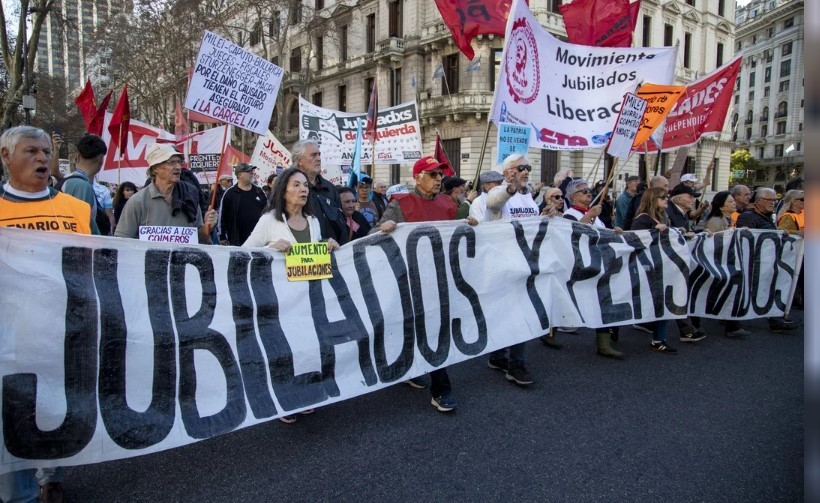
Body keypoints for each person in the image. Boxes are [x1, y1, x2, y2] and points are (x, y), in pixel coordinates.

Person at [0, 125, 95, 503]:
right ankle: (21, 493)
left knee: (54, 407)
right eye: (30, 152)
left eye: (45, 151)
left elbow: (95, 264)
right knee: (14, 417)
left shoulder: (76, 209)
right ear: (6, 157)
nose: (42, 158)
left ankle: (50, 475)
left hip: (62, 333)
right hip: (10, 337)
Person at [372, 156, 478, 412]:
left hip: (439, 279)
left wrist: (472, 225)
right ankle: (409, 368)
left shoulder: (448, 203)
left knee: (436, 330)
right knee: (411, 327)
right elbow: (373, 235)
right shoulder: (400, 204)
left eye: (440, 174)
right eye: (432, 174)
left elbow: (458, 235)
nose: (438, 179)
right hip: (407, 279)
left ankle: (441, 390)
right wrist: (382, 227)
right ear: (417, 177)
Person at [243, 167, 340, 423]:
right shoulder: (269, 221)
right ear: (283, 190)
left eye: (305, 185)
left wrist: (328, 245)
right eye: (297, 185)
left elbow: (314, 254)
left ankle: (305, 393)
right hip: (280, 300)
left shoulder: (314, 221)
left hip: (309, 298)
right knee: (285, 351)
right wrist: (270, 248)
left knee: (308, 347)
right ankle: (285, 400)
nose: (303, 189)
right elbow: (243, 253)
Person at [483, 154, 540, 385]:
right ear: (508, 173)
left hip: (526, 263)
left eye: (528, 167)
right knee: (517, 314)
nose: (526, 171)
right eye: (521, 168)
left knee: (515, 313)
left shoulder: (529, 198)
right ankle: (516, 365)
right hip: (504, 265)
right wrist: (510, 188)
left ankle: (499, 356)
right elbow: (493, 202)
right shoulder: (501, 192)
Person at [562, 178, 624, 359]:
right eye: (583, 191)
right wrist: (589, 216)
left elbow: (602, 234)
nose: (589, 193)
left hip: (600, 263)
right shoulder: (570, 214)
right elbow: (573, 234)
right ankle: (550, 331)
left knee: (604, 299)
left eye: (589, 190)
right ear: (573, 197)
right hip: (581, 265)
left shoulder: (593, 214)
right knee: (569, 300)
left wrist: (614, 231)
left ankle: (604, 343)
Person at [114, 143, 217, 243]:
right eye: (171, 162)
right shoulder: (137, 202)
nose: (178, 167)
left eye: (179, 162)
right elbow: (122, 243)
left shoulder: (190, 196)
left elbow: (198, 239)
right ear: (155, 168)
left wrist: (207, 227)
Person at [736, 187, 797, 332]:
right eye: (769, 200)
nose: (773, 203)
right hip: (754, 262)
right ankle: (732, 322)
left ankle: (775, 319)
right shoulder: (748, 216)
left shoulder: (767, 215)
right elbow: (745, 239)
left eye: (775, 200)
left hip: (767, 260)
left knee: (769, 289)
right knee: (748, 291)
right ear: (758, 201)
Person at [629, 187, 677, 353]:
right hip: (648, 268)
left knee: (664, 302)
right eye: (662, 197)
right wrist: (652, 233)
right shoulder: (642, 220)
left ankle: (659, 338)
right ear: (652, 199)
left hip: (661, 266)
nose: (666, 200)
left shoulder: (661, 217)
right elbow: (633, 241)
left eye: (667, 197)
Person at [703, 191, 752, 337]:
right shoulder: (715, 221)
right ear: (722, 207)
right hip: (719, 264)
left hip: (724, 263)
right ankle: (732, 326)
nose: (734, 203)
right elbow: (712, 244)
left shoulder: (726, 219)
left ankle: (730, 322)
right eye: (730, 202)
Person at [291, 139, 349, 244]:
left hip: (331, 253)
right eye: (313, 155)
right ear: (300, 161)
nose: (318, 158)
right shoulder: (288, 188)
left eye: (319, 154)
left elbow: (341, 223)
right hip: (302, 255)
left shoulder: (330, 188)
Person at [58, 134, 109, 235]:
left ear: (77, 156)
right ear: (101, 161)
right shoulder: (82, 186)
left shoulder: (69, 180)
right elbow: (80, 227)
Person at [218, 163, 267, 246]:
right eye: (249, 172)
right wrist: (222, 236)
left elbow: (267, 212)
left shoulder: (259, 191)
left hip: (258, 239)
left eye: (252, 171)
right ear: (240, 175)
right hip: (236, 240)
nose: (252, 173)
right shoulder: (230, 193)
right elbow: (223, 216)